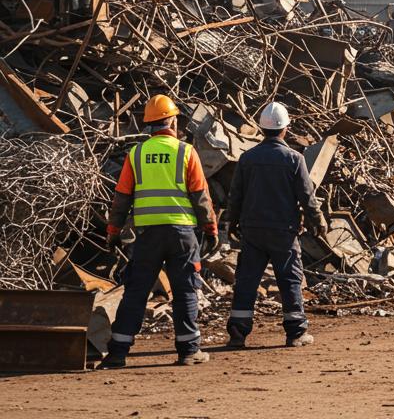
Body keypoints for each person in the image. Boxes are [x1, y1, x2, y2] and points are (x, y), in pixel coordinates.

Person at [100, 94, 218, 368]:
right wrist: (210, 229)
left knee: (136, 291)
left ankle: (117, 353)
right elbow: (201, 196)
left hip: (148, 235)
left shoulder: (136, 154)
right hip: (181, 234)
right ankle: (188, 351)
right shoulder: (186, 152)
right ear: (173, 121)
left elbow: (121, 198)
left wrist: (113, 231)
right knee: (185, 290)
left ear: (149, 124)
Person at [224, 101, 328, 348]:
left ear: (262, 128)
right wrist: (318, 222)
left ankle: (238, 333)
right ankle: (295, 332)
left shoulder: (247, 158)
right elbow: (307, 196)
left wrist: (231, 223)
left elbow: (235, 195)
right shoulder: (294, 159)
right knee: (289, 279)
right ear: (285, 129)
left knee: (247, 280)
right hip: (283, 231)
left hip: (252, 230)